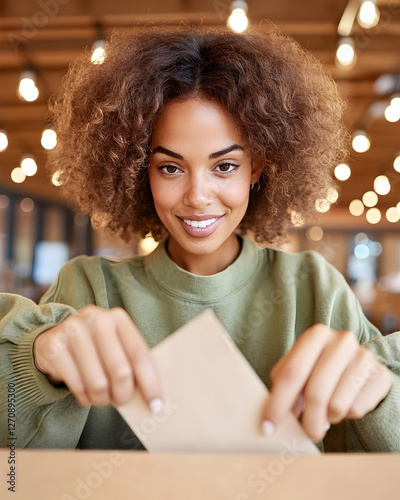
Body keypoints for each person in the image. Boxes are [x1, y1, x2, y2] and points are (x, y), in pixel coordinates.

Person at [0, 27, 399, 452]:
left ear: (258, 169)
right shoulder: (88, 288)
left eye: (224, 166)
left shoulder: (316, 291)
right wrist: (35, 360)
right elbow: (14, 462)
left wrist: (382, 394)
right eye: (170, 168)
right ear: (139, 173)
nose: (197, 197)